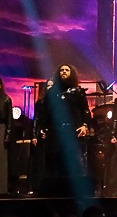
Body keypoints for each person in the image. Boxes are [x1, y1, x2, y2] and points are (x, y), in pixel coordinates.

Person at [36, 63, 93, 197]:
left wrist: (85, 125)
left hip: (71, 132)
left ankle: (72, 191)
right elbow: (45, 113)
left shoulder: (77, 91)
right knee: (54, 160)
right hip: (55, 132)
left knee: (71, 162)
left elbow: (86, 111)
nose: (64, 72)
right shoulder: (52, 92)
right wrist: (42, 128)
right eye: (61, 70)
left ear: (71, 73)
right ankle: (53, 193)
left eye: (67, 70)